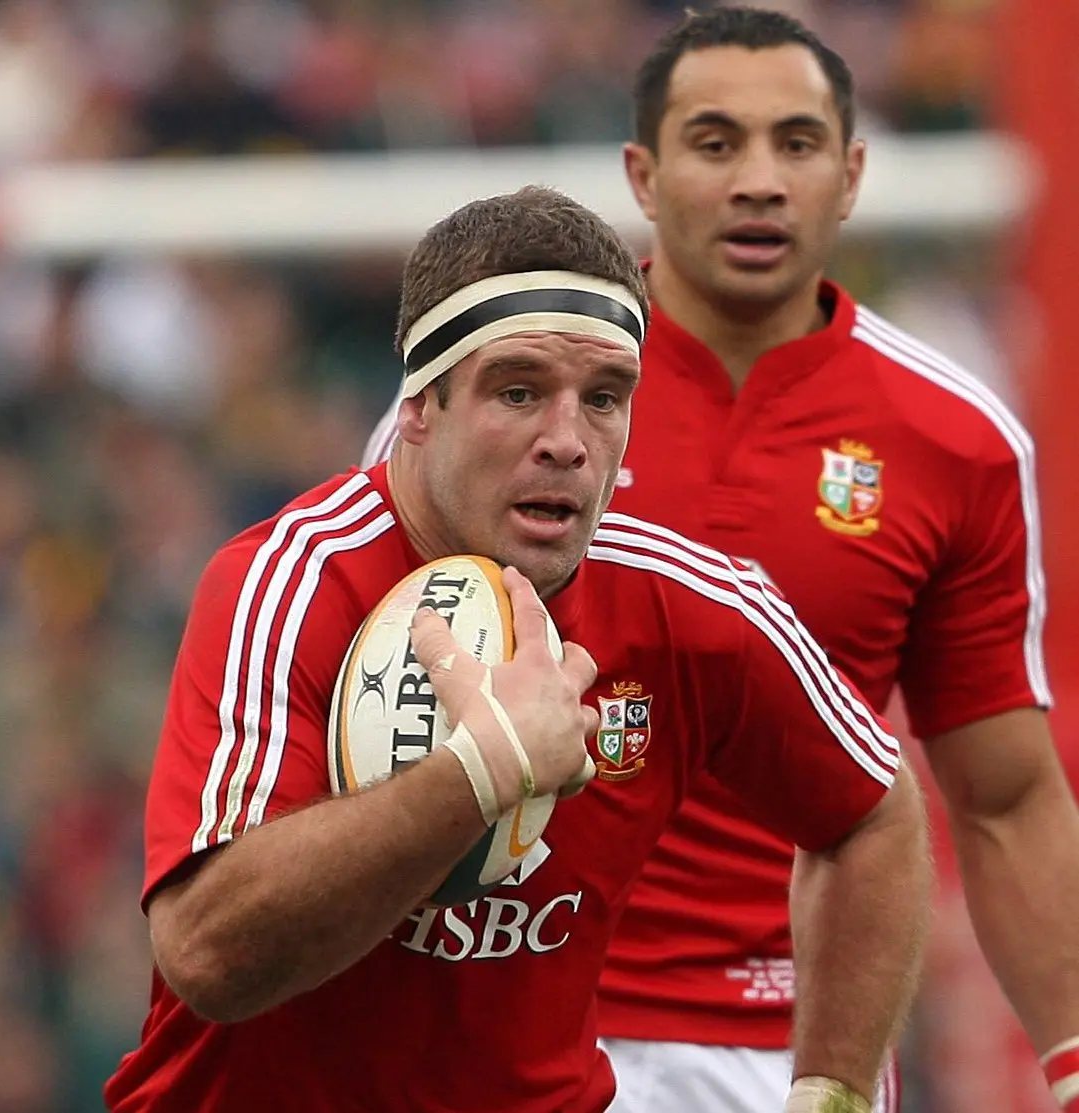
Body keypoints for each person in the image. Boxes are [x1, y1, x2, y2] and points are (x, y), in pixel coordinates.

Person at [362, 10, 1079, 1113]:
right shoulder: (492, 405)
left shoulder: (956, 439)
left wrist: (1071, 1060)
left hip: (785, 1051)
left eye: (796, 143)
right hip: (503, 1013)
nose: (758, 181)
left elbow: (1005, 797)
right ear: (642, 176)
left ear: (850, 175)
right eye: (714, 142)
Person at [106, 185, 930, 1113]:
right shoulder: (291, 581)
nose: (568, 443)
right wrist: (482, 770)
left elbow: (872, 813)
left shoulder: (691, 607)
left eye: (604, 398)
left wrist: (831, 1094)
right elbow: (207, 954)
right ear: (419, 405)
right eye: (518, 390)